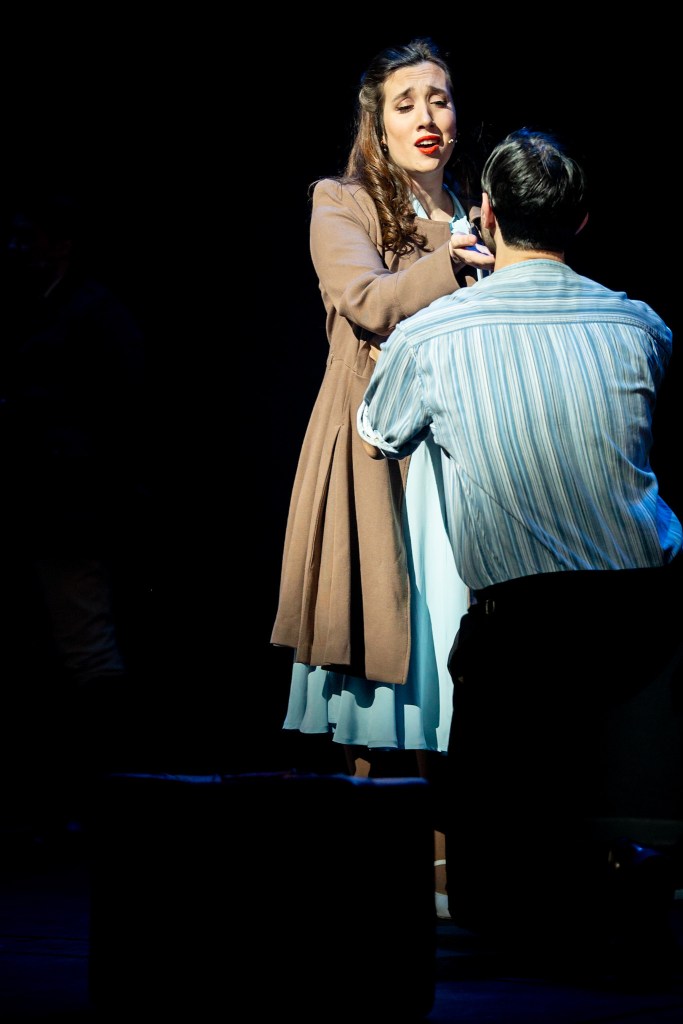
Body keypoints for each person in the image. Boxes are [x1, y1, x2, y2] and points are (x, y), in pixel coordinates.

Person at [357, 128, 683, 975]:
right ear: (581, 220)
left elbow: (378, 431)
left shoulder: (432, 336)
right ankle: (617, 874)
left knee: (496, 892)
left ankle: (537, 896)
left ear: (487, 215)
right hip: (644, 616)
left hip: (522, 630)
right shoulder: (640, 325)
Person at [270, 37, 493, 917]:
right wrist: (453, 262)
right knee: (381, 675)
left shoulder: (478, 213)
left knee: (452, 673)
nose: (427, 117)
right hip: (376, 460)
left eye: (439, 98)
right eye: (406, 103)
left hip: (466, 460)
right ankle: (375, 884)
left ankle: (452, 874)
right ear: (378, 120)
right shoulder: (342, 202)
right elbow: (363, 301)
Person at [0, 188, 150, 840]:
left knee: (88, 650)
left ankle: (105, 802)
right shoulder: (33, 307)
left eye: (27, 237)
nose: (14, 250)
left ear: (61, 244)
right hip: (38, 505)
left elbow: (124, 412)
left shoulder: (93, 313)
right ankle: (59, 799)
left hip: (70, 509)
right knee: (57, 652)